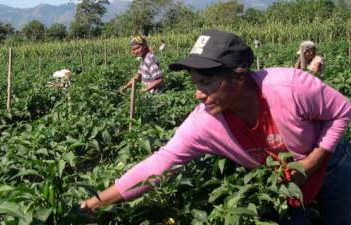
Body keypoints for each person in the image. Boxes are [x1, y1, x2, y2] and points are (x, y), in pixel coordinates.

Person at [81, 30, 351, 224]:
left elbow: (342, 111)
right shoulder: (205, 122)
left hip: (331, 165)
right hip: (282, 183)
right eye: (195, 83)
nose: (198, 94)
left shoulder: (291, 86)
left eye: (207, 83)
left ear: (239, 77)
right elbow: (160, 163)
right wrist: (97, 202)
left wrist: (314, 161)